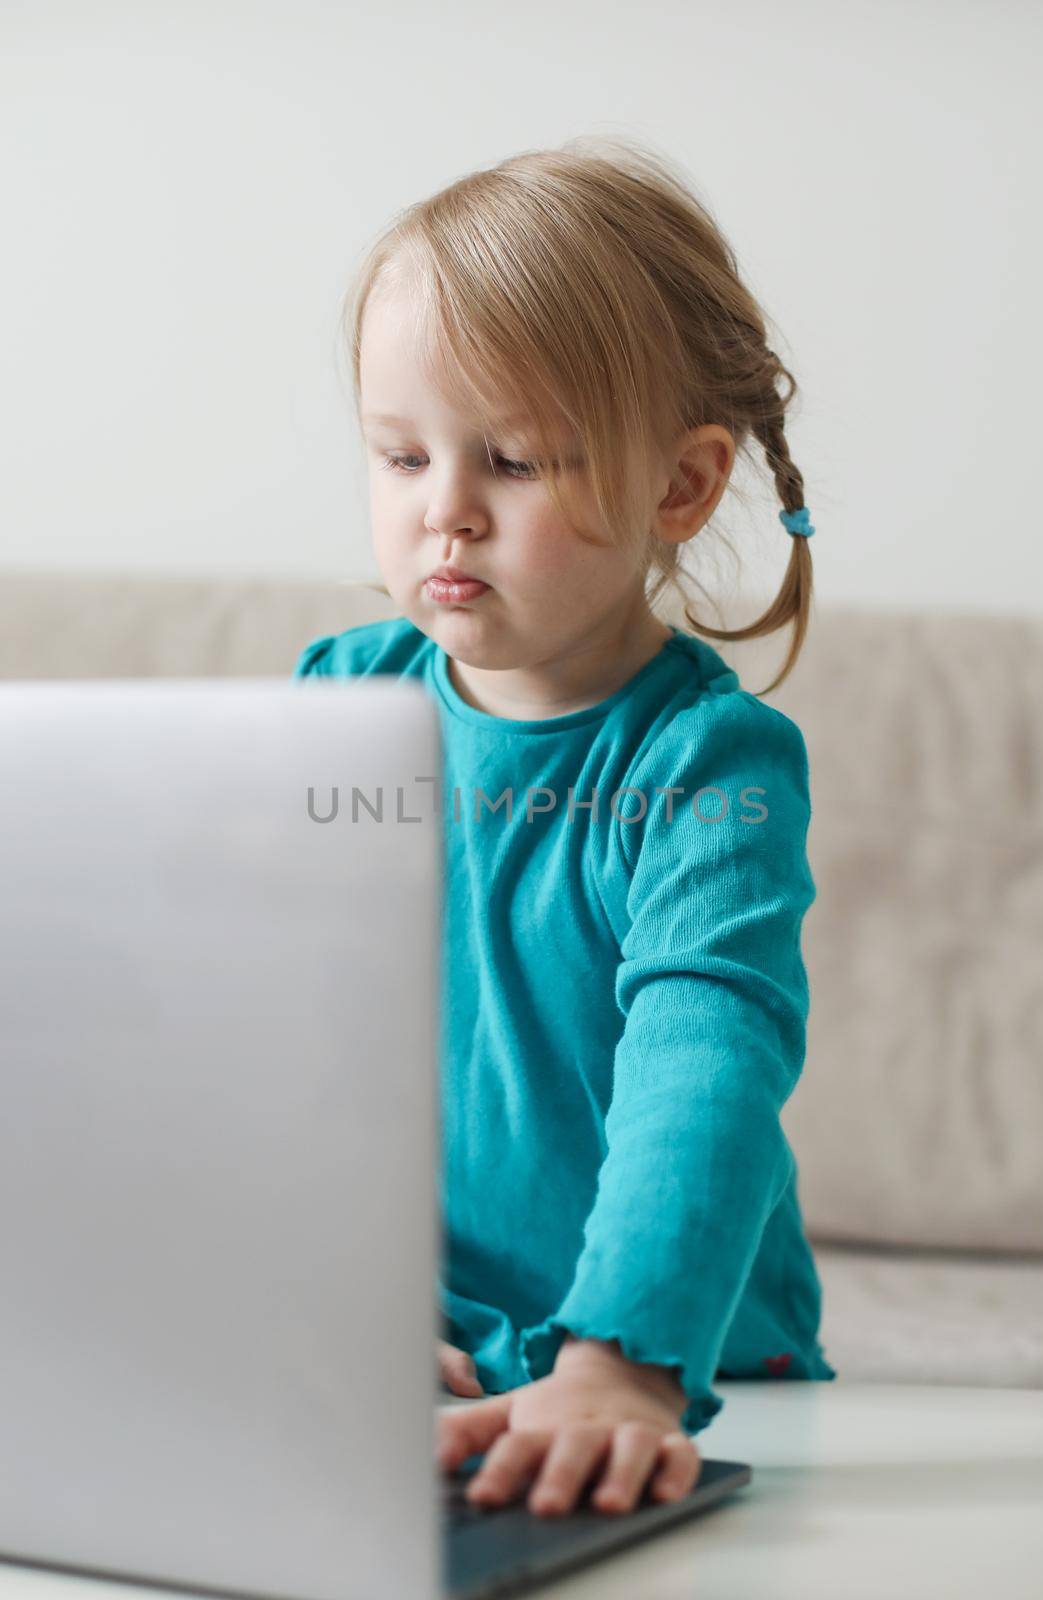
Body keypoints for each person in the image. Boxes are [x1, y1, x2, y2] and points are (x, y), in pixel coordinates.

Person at [292, 136, 835, 1521]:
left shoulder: (712, 765)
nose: (444, 511)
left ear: (680, 486)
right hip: (439, 1339)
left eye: (515, 460)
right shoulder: (342, 703)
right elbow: (277, 1040)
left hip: (678, 1346)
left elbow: (707, 1063)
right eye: (401, 454)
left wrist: (623, 1363)